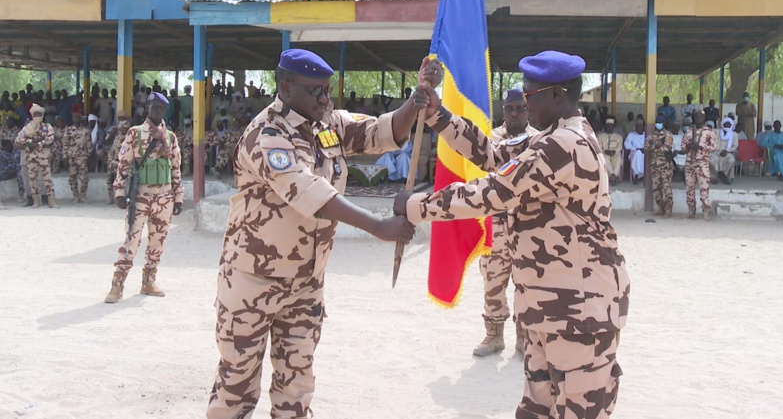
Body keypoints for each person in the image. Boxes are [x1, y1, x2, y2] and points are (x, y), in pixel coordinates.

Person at [395, 50, 628, 418]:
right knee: (535, 409)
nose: (524, 104)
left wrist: (413, 207)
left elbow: (494, 192)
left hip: (578, 313)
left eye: (531, 96)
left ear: (558, 95)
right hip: (548, 309)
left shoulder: (565, 145)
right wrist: (438, 116)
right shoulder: (552, 138)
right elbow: (494, 154)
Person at [206, 49, 436, 419]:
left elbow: (379, 131)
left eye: (327, 90)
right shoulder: (267, 135)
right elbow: (308, 190)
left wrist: (414, 101)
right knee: (236, 387)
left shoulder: (327, 123)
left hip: (305, 282)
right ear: (285, 87)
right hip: (254, 281)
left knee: (296, 386)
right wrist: (378, 226)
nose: (325, 99)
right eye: (315, 91)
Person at [473, 88, 537, 357]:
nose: (514, 113)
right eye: (510, 108)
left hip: (527, 223)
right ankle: (493, 335)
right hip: (495, 223)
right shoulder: (490, 140)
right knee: (493, 279)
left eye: (519, 108)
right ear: (503, 111)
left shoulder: (538, 140)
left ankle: (524, 338)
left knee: (528, 282)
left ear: (527, 110)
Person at [104, 92, 184, 304]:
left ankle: (149, 281)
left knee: (157, 242)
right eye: (155, 107)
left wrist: (178, 197)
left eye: (161, 108)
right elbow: (123, 166)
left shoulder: (170, 137)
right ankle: (117, 285)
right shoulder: (134, 134)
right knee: (131, 240)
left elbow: (175, 168)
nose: (158, 112)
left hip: (164, 197)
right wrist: (119, 193)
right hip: (141, 196)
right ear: (147, 108)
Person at [14, 104, 58, 208]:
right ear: (32, 115)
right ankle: (36, 202)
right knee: (32, 179)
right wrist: (30, 142)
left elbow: (50, 140)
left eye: (39, 114)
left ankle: (52, 202)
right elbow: (18, 140)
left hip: (44, 157)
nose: (37, 116)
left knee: (47, 179)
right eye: (35, 114)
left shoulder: (47, 126)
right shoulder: (27, 127)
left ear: (42, 115)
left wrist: (37, 144)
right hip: (31, 158)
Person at [682, 110, 717, 220]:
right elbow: (683, 146)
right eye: (696, 116)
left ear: (704, 118)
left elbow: (714, 147)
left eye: (701, 116)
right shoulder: (688, 132)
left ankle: (705, 211)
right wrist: (688, 146)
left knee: (704, 188)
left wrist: (701, 147)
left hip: (702, 163)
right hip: (690, 162)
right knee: (689, 187)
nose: (698, 118)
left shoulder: (709, 132)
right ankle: (691, 210)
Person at [646, 115, 674, 217]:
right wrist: (656, 146)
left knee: (667, 188)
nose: (658, 124)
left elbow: (666, 148)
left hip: (665, 165)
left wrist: (654, 147)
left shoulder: (667, 135)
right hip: (654, 165)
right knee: (656, 188)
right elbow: (646, 146)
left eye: (660, 122)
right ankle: (660, 208)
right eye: (657, 122)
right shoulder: (652, 134)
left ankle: (668, 210)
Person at [63, 111, 92, 203]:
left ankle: (83, 196)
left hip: (82, 157)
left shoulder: (85, 131)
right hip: (72, 158)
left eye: (78, 117)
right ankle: (75, 196)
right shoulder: (68, 130)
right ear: (72, 119)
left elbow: (89, 144)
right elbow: (65, 144)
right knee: (72, 178)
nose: (76, 119)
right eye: (74, 117)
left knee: (84, 178)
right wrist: (64, 156)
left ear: (80, 119)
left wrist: (89, 155)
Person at [105, 118, 131, 204]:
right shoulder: (116, 137)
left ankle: (122, 198)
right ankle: (110, 198)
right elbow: (111, 149)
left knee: (123, 182)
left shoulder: (130, 139)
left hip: (124, 164)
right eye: (121, 128)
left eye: (124, 128)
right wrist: (110, 161)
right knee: (109, 179)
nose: (122, 129)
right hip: (113, 161)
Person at [709, 117, 739, 185]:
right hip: (715, 152)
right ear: (722, 124)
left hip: (727, 152)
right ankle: (714, 176)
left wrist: (726, 150)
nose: (727, 126)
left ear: (731, 125)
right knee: (711, 160)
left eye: (729, 124)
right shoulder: (716, 132)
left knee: (731, 159)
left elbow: (735, 146)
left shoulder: (734, 134)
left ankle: (723, 175)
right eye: (725, 124)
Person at [597, 117, 623, 185]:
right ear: (605, 126)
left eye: (611, 126)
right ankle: (613, 176)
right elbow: (598, 147)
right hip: (604, 153)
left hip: (615, 153)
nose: (609, 127)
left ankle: (612, 176)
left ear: (613, 127)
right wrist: (605, 151)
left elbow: (619, 147)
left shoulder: (618, 137)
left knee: (618, 159)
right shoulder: (600, 136)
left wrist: (614, 151)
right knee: (604, 159)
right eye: (608, 126)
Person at [624, 119, 646, 183]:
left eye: (640, 126)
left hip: (645, 153)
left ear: (643, 127)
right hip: (634, 153)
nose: (639, 127)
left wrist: (645, 149)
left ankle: (640, 175)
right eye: (638, 126)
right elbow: (626, 144)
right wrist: (636, 149)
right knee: (638, 153)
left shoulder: (646, 134)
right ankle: (637, 175)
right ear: (635, 127)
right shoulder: (631, 134)